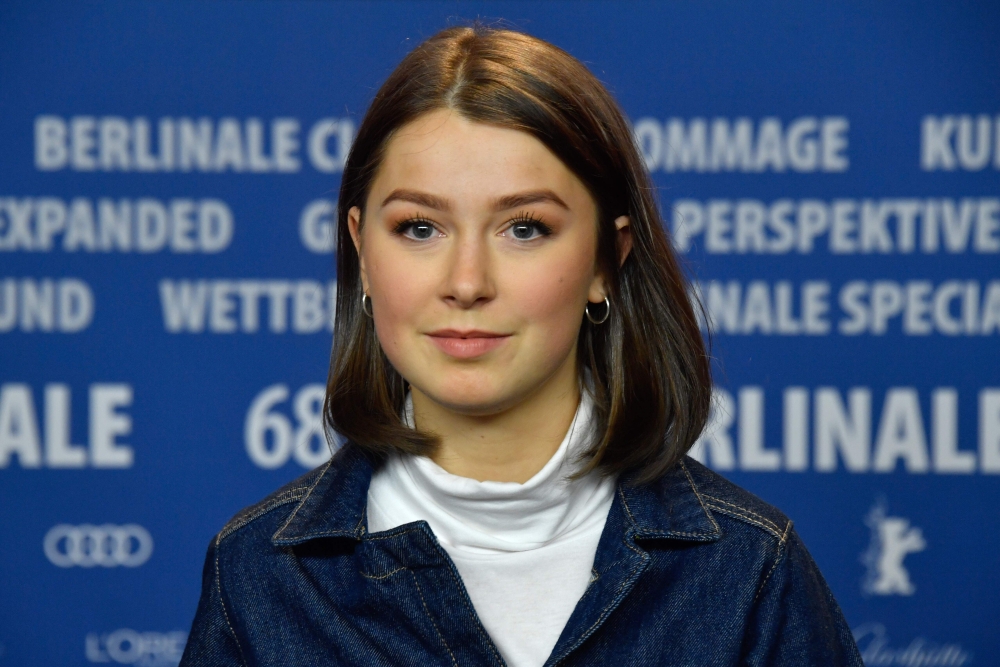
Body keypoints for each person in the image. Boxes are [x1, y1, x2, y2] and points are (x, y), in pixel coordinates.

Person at [180, 25, 862, 667]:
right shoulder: (257, 578)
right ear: (360, 249)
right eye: (420, 228)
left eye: (525, 228)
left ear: (606, 259)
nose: (467, 282)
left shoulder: (750, 573)